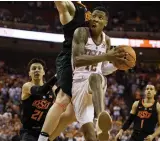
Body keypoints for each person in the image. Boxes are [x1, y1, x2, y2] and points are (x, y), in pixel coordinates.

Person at [71, 7, 126, 141]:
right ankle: (97, 125)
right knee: (90, 136)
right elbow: (77, 60)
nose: (95, 19)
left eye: (100, 17)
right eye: (93, 16)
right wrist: (106, 56)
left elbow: (103, 69)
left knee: (95, 76)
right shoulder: (81, 33)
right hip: (79, 83)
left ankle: (100, 119)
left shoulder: (106, 40)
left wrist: (116, 65)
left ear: (105, 22)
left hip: (96, 84)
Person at [38, 1, 91, 140]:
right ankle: (41, 139)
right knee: (63, 99)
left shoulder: (86, 9)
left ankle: (48, 139)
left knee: (72, 115)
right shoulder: (72, 6)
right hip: (70, 58)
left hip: (83, 64)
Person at [21, 58, 74, 141]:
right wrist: (58, 74)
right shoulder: (27, 86)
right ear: (29, 73)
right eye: (34, 68)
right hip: (29, 132)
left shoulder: (53, 88)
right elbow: (41, 90)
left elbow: (64, 100)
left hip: (46, 130)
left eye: (39, 68)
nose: (37, 70)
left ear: (43, 72)